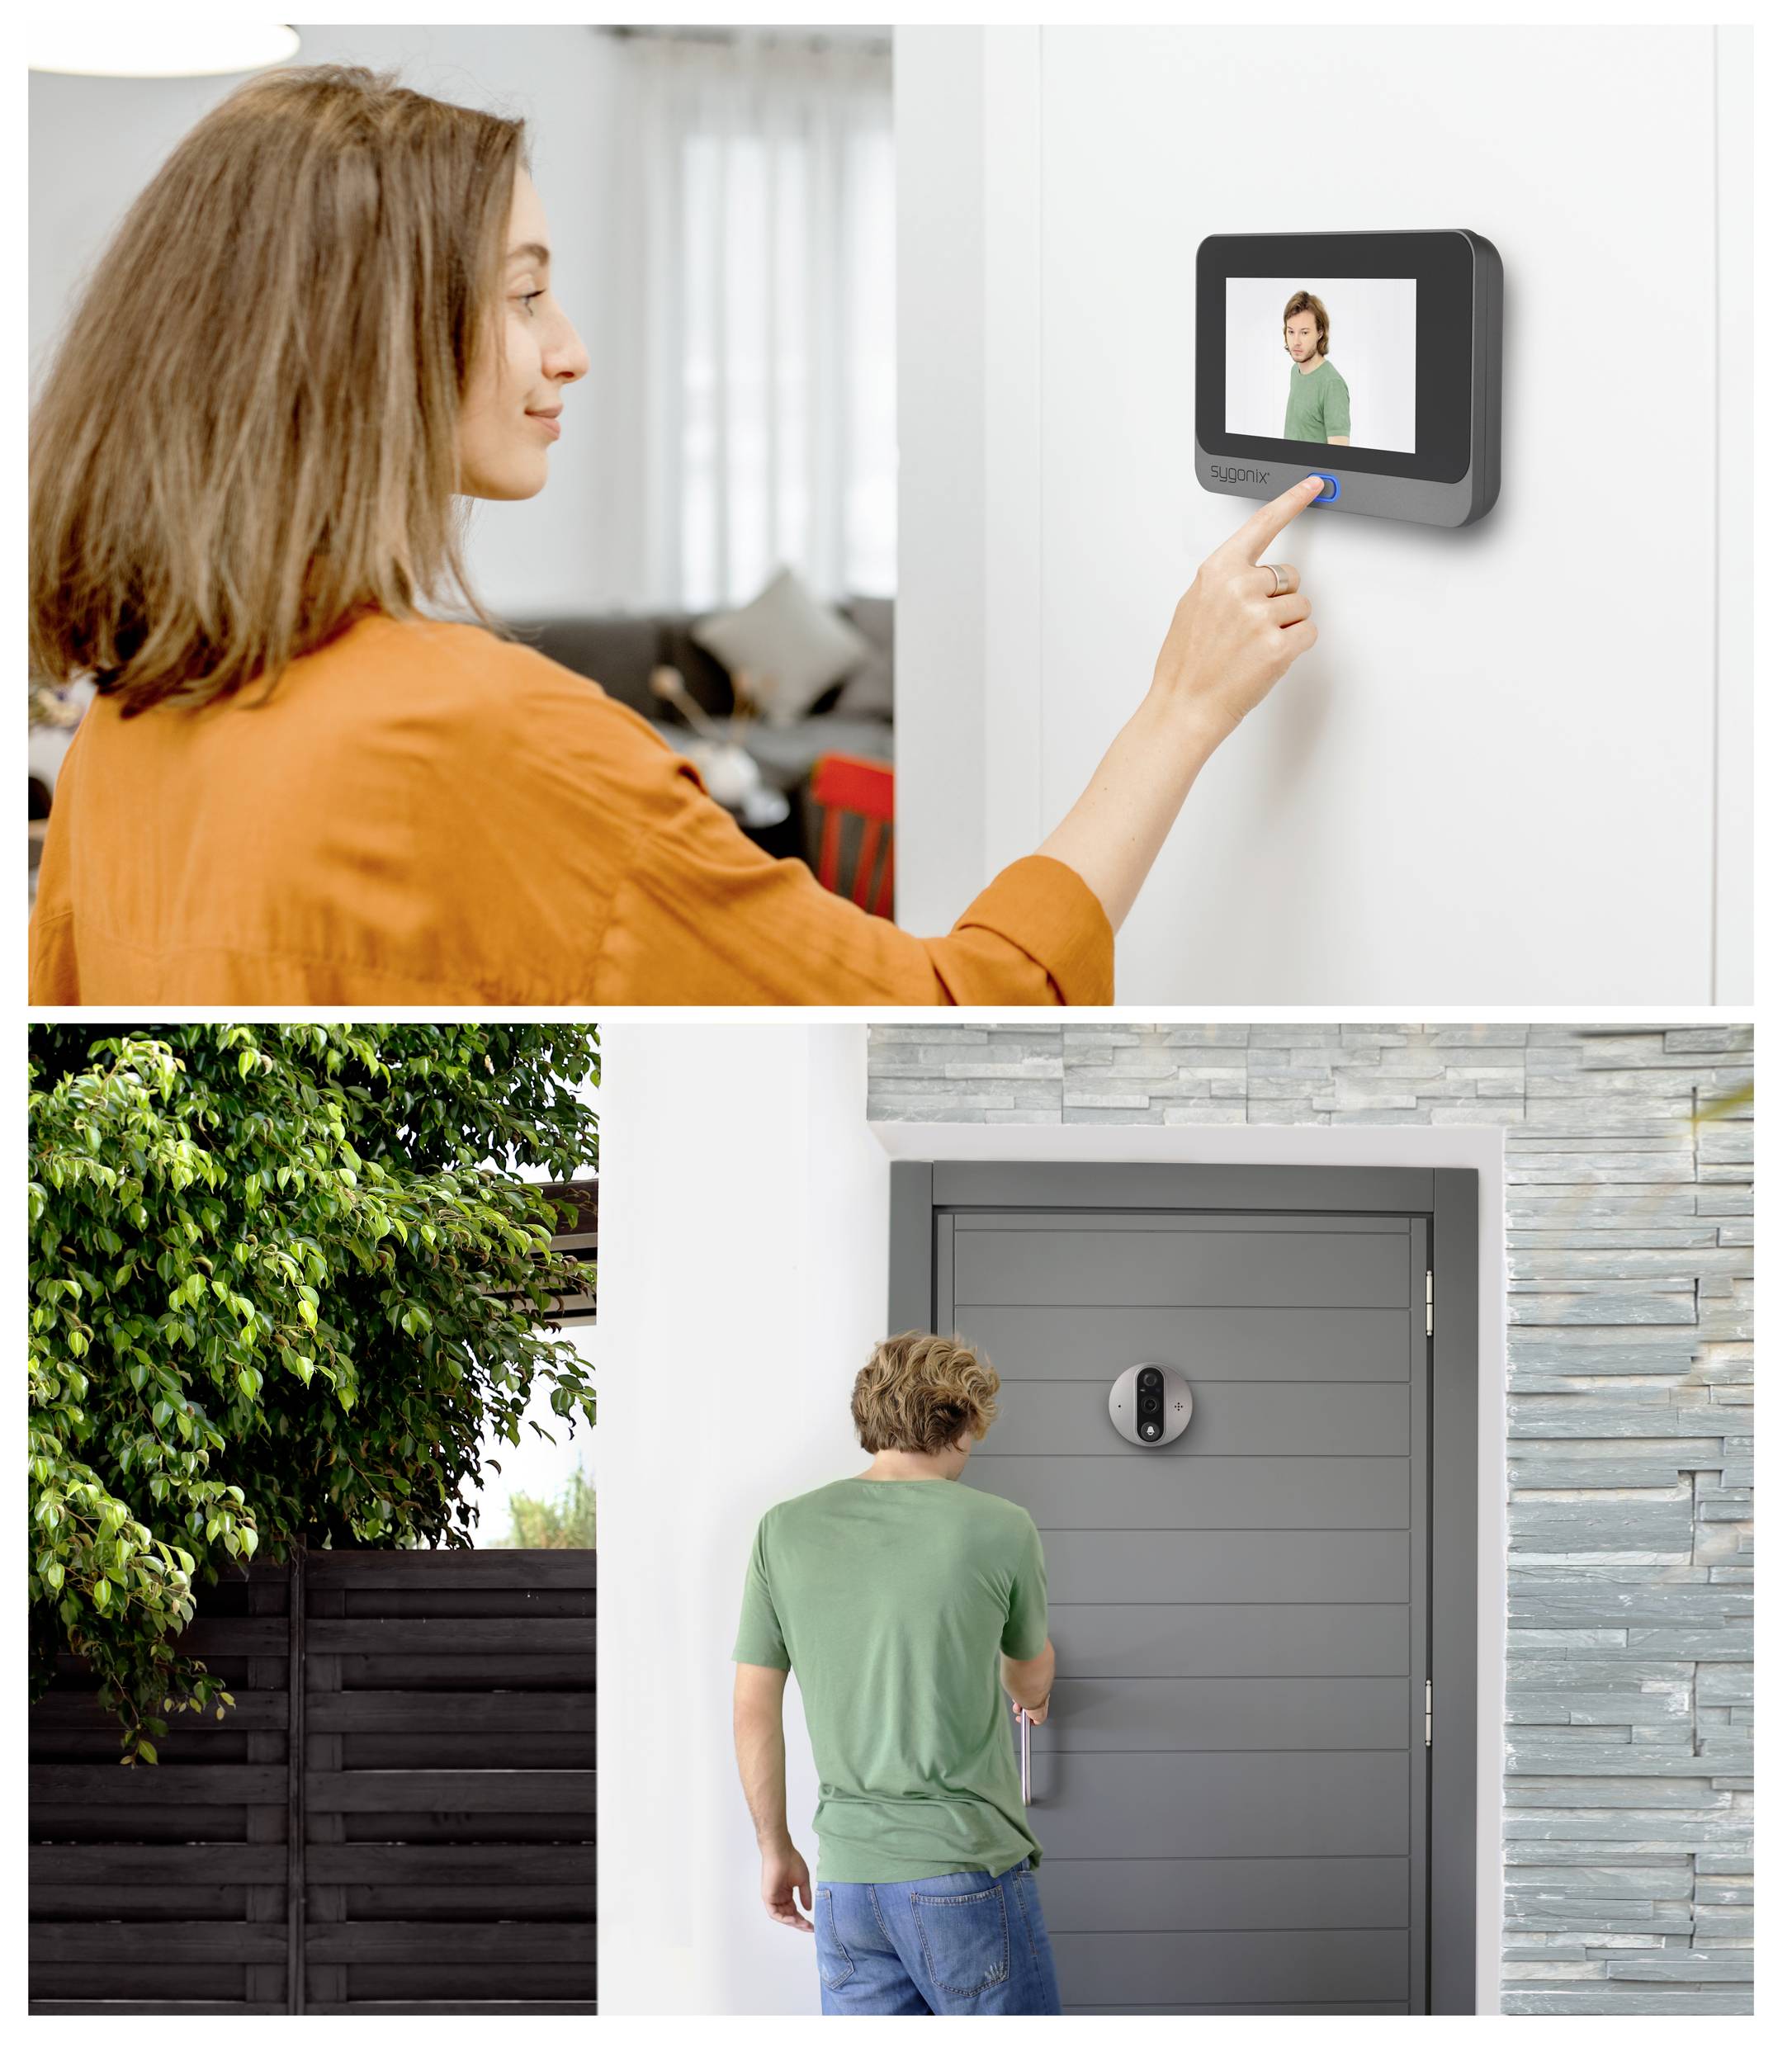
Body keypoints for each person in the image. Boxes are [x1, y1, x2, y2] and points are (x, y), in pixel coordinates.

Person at [28, 65, 1323, 1005]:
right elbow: (955, 1025)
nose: (570, 349)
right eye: (527, 293)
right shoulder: (493, 742)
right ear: (369, 341)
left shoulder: (120, 746)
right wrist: (1178, 706)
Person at [731, 1333, 1060, 2015]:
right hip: (962, 1870)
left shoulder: (782, 1530)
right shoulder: (1000, 1527)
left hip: (846, 1885)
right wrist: (1030, 1684)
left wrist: (775, 1847)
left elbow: (752, 1707)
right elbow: (1027, 1680)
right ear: (962, 1423)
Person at [1282, 289, 1351, 446]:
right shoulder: (1295, 371)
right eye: (1291, 332)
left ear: (1320, 332)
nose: (1296, 341)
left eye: (1304, 333)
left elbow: (1340, 457)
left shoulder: (1332, 384)